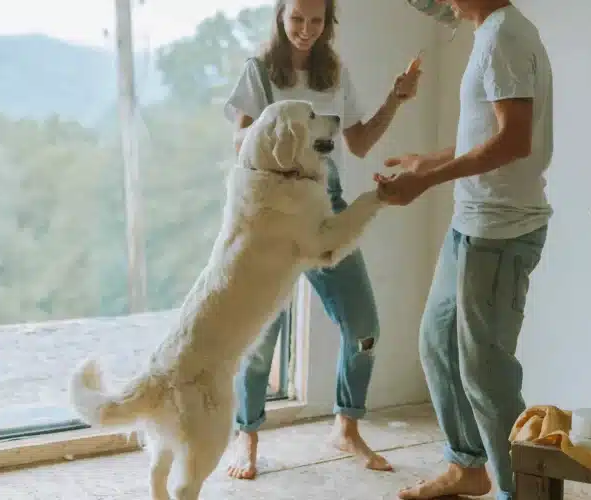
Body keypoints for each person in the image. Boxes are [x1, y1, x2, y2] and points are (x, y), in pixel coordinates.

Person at [222, 0, 421, 481]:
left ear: (328, 21)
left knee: (364, 327)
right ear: (280, 17)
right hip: (272, 213)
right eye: (296, 19)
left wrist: (396, 99)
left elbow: (359, 143)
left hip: (325, 208)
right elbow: (240, 145)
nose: (305, 30)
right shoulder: (259, 72)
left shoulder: (335, 73)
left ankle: (346, 428)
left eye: (315, 21)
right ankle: (246, 436)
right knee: (259, 335)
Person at [376, 1, 553, 499]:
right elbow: (491, 135)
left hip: (500, 232)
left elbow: (515, 141)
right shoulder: (493, 33)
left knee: (487, 373)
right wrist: (426, 161)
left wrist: (426, 180)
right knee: (438, 343)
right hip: (471, 224)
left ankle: (520, 491)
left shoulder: (504, 38)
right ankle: (467, 466)